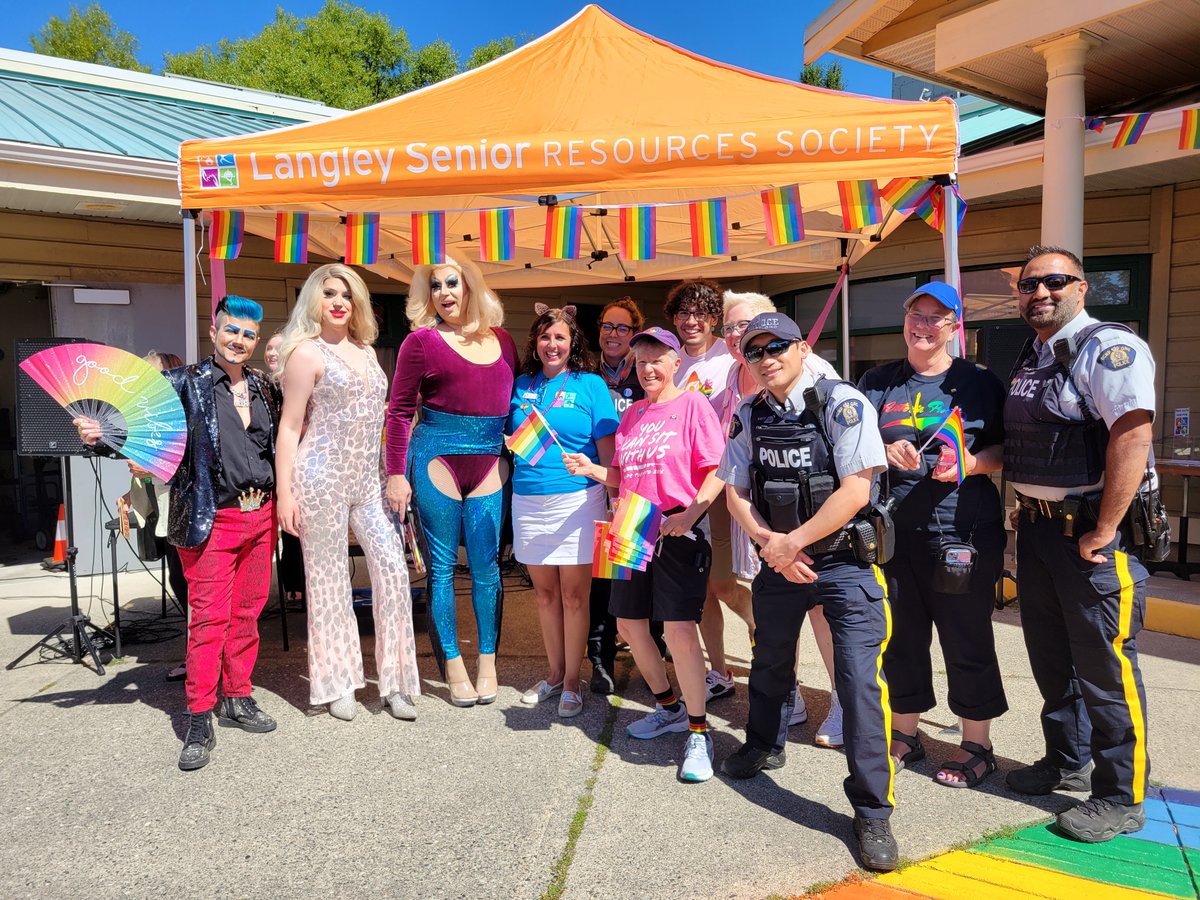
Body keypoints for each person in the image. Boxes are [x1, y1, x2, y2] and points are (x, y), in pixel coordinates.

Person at [716, 312, 898, 872]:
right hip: (780, 559)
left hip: (844, 562)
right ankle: (764, 744)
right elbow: (735, 491)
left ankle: (872, 810)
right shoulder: (749, 413)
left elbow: (854, 490)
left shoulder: (842, 403)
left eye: (777, 347)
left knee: (858, 683)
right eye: (755, 351)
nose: (767, 358)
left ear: (802, 347)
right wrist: (771, 542)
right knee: (769, 660)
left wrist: (790, 543)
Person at [75, 296, 279, 771]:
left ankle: (238, 695)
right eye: (232, 331)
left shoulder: (266, 389)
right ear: (214, 331)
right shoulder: (181, 383)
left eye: (249, 334)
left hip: (260, 517)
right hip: (211, 519)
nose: (240, 341)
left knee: (247, 615)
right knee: (209, 621)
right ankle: (199, 716)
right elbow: (139, 430)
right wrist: (100, 435)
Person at [1003, 245, 1156, 842]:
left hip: (1091, 536)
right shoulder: (1034, 353)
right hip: (1041, 531)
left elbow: (1132, 434)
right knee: (1050, 659)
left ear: (1082, 287)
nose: (1040, 292)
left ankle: (1121, 794)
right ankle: (1065, 758)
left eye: (1055, 281)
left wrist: (1107, 527)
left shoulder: (1109, 349)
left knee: (1106, 669)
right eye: (1029, 284)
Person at [858, 282, 1008, 789]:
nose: (922, 326)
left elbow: (1008, 451)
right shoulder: (878, 381)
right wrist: (884, 450)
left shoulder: (978, 383)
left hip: (962, 532)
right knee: (901, 640)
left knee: (966, 637)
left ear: (953, 327)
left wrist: (970, 462)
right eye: (915, 315)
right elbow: (852, 443)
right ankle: (907, 735)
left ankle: (977, 744)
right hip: (896, 534)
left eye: (935, 318)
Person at [564, 326, 726, 782]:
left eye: (657, 359)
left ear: (677, 362)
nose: (648, 368)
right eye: (641, 361)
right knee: (629, 624)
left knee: (676, 631)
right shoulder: (632, 414)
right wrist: (591, 468)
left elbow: (717, 469)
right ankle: (667, 706)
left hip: (677, 525)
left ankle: (699, 730)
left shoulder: (693, 405)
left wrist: (692, 515)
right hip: (630, 522)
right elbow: (622, 474)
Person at [275, 265, 421, 722]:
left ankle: (395, 683)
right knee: (329, 581)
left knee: (395, 572)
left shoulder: (367, 351)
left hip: (368, 479)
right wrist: (285, 494)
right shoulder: (305, 354)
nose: (338, 301)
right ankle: (338, 682)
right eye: (329, 293)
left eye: (347, 294)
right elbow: (290, 427)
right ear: (314, 301)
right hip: (320, 478)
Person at [386, 256, 518, 707]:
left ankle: (488, 662)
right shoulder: (419, 343)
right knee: (441, 570)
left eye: (452, 283)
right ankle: (452, 664)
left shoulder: (503, 339)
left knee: (487, 567)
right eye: (435, 285)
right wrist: (395, 473)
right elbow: (400, 412)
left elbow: (513, 402)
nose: (444, 292)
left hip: (489, 458)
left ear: (470, 286)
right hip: (436, 456)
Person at [721, 292, 843, 745]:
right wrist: (766, 539)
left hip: (817, 527)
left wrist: (795, 541)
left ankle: (841, 703)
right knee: (774, 618)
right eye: (732, 329)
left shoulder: (821, 380)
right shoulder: (727, 380)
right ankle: (786, 698)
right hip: (763, 523)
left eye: (748, 326)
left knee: (820, 613)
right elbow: (732, 469)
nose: (742, 338)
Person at [510, 305, 619, 717]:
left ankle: (574, 680)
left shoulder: (591, 385)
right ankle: (554, 674)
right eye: (544, 337)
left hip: (578, 500)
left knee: (575, 596)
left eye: (559, 337)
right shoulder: (521, 385)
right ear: (535, 345)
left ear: (572, 343)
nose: (551, 344)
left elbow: (610, 459)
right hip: (528, 500)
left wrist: (613, 501)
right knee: (544, 595)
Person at [664, 279, 745, 707]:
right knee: (700, 589)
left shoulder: (726, 360)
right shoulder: (669, 359)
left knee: (723, 584)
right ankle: (719, 670)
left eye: (700, 314)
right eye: (682, 314)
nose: (691, 321)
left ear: (715, 319)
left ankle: (759, 627)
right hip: (678, 487)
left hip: (717, 485)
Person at [587, 296, 647, 694]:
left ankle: (652, 648)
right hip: (596, 485)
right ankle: (600, 659)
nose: (614, 334)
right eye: (608, 326)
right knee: (603, 579)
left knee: (641, 572)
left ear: (634, 333)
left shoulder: (645, 371)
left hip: (639, 486)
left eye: (623, 328)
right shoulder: (586, 373)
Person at [264, 331, 305, 608]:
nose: (272, 353)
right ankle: (290, 584)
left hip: (298, 459)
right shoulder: (262, 383)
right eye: (268, 347)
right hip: (269, 461)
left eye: (279, 348)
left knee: (296, 529)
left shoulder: (298, 380)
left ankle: (300, 585)